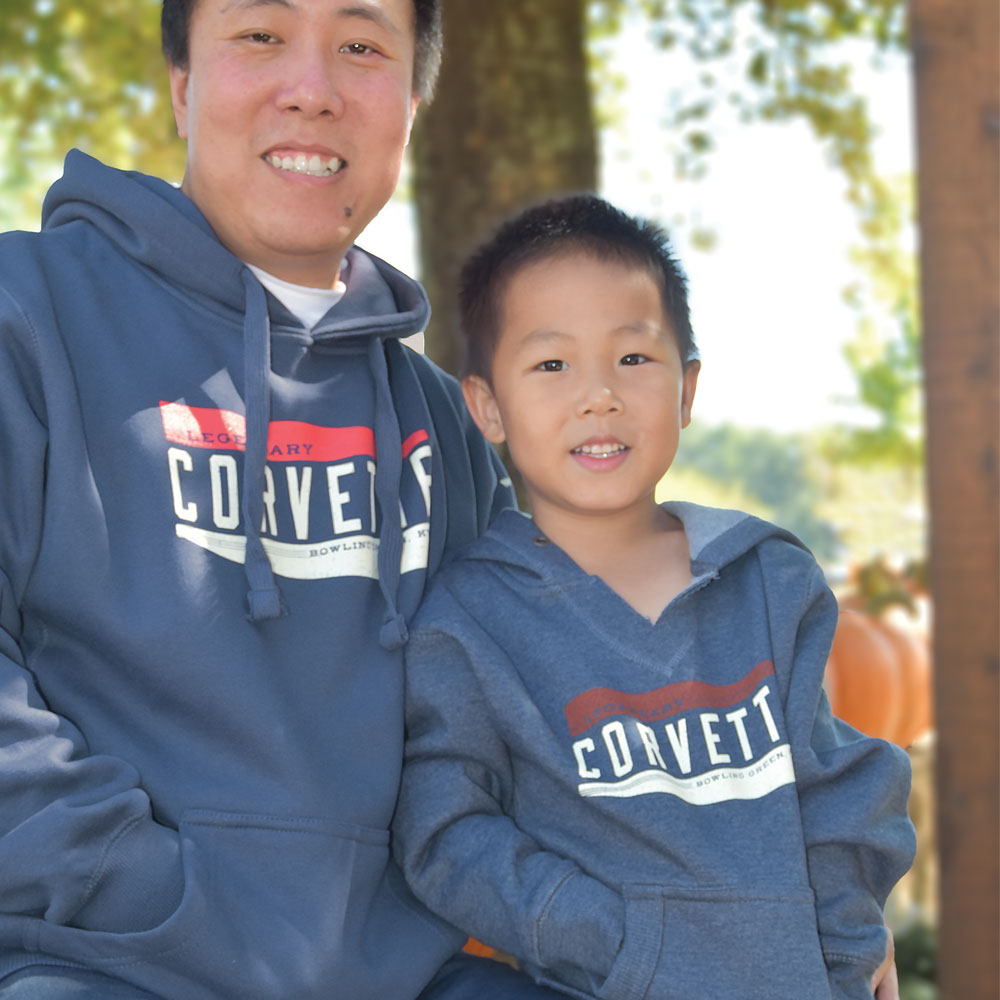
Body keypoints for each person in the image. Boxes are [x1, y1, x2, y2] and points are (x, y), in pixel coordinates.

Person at [0, 1, 574, 997]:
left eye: (361, 48)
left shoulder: (442, 430)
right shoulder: (26, 318)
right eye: (260, 37)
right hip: (97, 961)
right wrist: (141, 892)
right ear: (183, 87)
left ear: (412, 102)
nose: (311, 88)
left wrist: (793, 907)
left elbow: (529, 736)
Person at [392, 194, 916, 1000]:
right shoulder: (469, 622)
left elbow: (840, 791)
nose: (598, 394)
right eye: (551, 364)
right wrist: (615, 941)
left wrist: (843, 950)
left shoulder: (770, 582)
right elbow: (446, 833)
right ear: (487, 408)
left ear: (686, 387)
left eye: (633, 359)